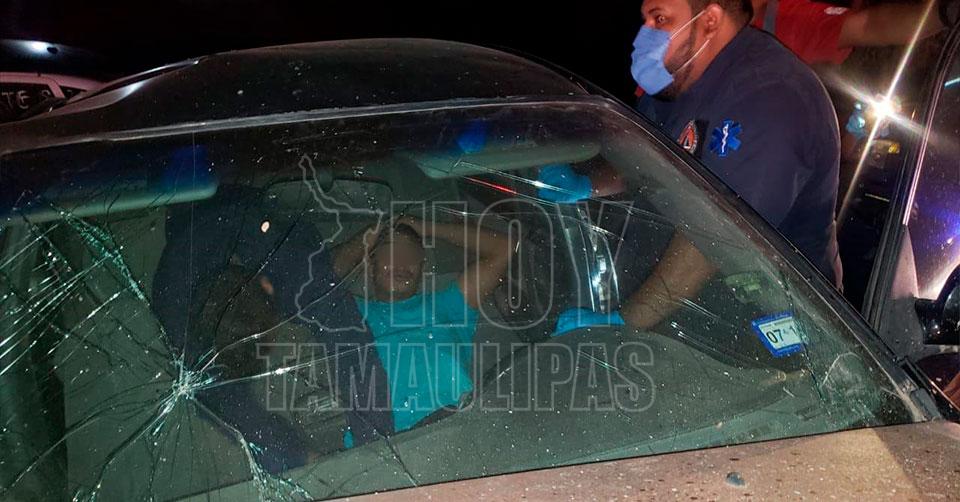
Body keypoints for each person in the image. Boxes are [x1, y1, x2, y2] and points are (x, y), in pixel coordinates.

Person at [622, 0, 845, 327]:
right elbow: (636, 158)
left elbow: (716, 238)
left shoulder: (773, 97)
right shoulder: (677, 82)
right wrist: (583, 183)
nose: (644, 34)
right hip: (694, 298)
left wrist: (623, 322)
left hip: (772, 318)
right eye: (645, 20)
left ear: (710, 20)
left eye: (660, 19)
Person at [332, 214, 513, 437]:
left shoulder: (450, 305)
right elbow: (315, 282)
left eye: (411, 253)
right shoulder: (351, 314)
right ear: (370, 264)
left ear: (422, 267)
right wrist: (370, 234)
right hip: (382, 446)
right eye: (391, 252)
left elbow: (505, 248)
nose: (401, 261)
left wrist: (425, 227)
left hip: (459, 433)